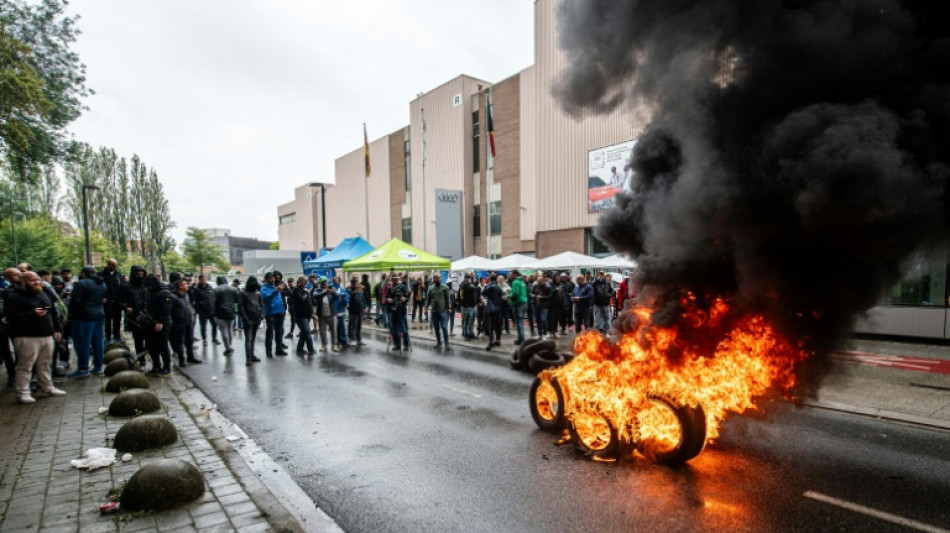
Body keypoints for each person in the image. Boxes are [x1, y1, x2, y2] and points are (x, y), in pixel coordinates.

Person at [3, 271, 66, 403]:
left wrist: (58, 329)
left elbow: (53, 312)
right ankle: (23, 392)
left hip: (47, 335)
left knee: (45, 364)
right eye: (32, 280)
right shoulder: (14, 297)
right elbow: (12, 317)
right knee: (25, 366)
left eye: (37, 279)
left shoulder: (44, 294)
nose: (37, 282)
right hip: (27, 336)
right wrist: (32, 314)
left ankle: (46, 387)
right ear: (23, 282)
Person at [68, 266, 106, 377]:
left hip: (84, 317)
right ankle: (98, 367)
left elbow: (75, 301)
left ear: (84, 273)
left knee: (83, 343)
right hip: (99, 315)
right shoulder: (102, 284)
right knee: (98, 343)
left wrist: (71, 314)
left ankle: (83, 369)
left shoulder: (81, 284)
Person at [142, 274, 173, 376]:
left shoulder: (164, 293)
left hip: (162, 324)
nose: (148, 288)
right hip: (151, 322)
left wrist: (160, 322)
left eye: (149, 286)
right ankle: (156, 365)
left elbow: (166, 310)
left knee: (162, 346)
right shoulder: (151, 292)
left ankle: (167, 367)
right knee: (151, 346)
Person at [170, 279, 202, 367]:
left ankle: (190, 356)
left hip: (188, 321)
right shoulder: (173, 297)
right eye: (185, 284)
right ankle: (181, 360)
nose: (187, 285)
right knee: (180, 341)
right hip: (179, 322)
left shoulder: (186, 295)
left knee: (190, 340)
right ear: (180, 286)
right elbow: (170, 311)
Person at [119, 266, 149, 357]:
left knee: (149, 339)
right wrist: (126, 308)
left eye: (142, 274)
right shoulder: (126, 287)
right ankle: (141, 359)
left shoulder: (146, 286)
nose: (140, 277)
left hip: (147, 316)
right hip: (134, 317)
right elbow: (118, 301)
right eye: (138, 274)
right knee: (138, 339)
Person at [237, 276, 263, 366]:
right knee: (249, 339)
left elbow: (261, 305)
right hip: (248, 319)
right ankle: (248, 358)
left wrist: (261, 317)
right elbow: (240, 307)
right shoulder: (243, 293)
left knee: (252, 339)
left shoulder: (257, 293)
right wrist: (245, 318)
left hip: (256, 318)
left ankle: (251, 355)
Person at [260, 272, 288, 357]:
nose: (272, 279)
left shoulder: (275, 286)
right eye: (270, 278)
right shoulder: (264, 288)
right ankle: (269, 351)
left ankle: (279, 349)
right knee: (270, 333)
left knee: (279, 332)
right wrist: (276, 291)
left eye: (273, 278)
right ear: (267, 279)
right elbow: (266, 298)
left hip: (279, 311)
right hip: (271, 313)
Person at [98, 259, 123, 343]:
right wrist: (101, 298)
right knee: (108, 320)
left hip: (117, 301)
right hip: (107, 302)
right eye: (113, 265)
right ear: (108, 265)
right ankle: (108, 337)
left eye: (115, 266)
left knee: (117, 319)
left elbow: (121, 287)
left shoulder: (118, 275)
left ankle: (117, 335)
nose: (114, 267)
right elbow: (97, 288)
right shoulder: (100, 275)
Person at [212, 276, 237, 355]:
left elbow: (212, 302)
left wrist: (213, 312)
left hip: (220, 312)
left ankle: (227, 348)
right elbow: (236, 300)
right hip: (231, 311)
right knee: (230, 329)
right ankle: (230, 345)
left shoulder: (216, 289)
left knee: (223, 330)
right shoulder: (233, 289)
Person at [291, 276, 316, 355]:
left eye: (306, 281)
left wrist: (312, 312)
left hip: (307, 313)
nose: (306, 283)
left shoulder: (305, 290)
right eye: (304, 281)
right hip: (301, 315)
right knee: (307, 331)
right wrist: (306, 293)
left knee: (304, 332)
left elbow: (309, 302)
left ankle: (299, 348)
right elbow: (301, 299)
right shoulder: (296, 290)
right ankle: (311, 348)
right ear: (300, 281)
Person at [313, 276, 338, 352]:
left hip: (331, 314)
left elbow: (337, 297)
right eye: (323, 282)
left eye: (325, 281)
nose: (324, 283)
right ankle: (324, 345)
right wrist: (325, 292)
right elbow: (315, 296)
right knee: (322, 332)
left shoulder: (331, 289)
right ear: (320, 283)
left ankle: (334, 345)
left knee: (333, 331)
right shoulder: (317, 290)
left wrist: (333, 292)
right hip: (322, 315)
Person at [426, 273, 451, 350]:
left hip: (442, 311)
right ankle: (439, 342)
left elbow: (448, 298)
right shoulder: (430, 288)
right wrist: (425, 308)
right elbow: (428, 299)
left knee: (444, 327)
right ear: (434, 279)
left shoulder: (445, 287)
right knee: (436, 328)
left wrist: (449, 307)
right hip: (434, 311)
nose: (439, 279)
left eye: (439, 277)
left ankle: (447, 344)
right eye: (437, 278)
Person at [192, 274, 218, 347]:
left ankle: (214, 339)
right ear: (200, 280)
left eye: (204, 279)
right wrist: (198, 311)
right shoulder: (197, 289)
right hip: (202, 312)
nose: (203, 281)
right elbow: (194, 301)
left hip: (211, 311)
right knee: (203, 327)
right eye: (202, 280)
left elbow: (213, 298)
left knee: (214, 325)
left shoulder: (210, 287)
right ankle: (204, 340)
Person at [387, 274, 411, 352]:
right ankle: (396, 344)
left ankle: (406, 345)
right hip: (393, 311)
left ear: (398, 279)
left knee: (404, 329)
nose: (395, 280)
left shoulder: (402, 287)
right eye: (394, 279)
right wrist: (389, 300)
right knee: (394, 329)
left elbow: (407, 295)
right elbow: (386, 298)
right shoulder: (390, 288)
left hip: (401, 311)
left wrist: (405, 298)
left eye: (396, 279)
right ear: (392, 279)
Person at [481, 276, 504, 350]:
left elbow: (483, 293)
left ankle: (491, 341)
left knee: (490, 326)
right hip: (498, 308)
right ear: (496, 279)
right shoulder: (499, 287)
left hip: (490, 309)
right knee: (498, 325)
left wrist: (488, 287)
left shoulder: (489, 286)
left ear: (490, 280)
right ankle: (498, 340)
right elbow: (501, 297)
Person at [508, 270, 528, 345]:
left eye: (511, 274)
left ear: (515, 274)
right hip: (524, 302)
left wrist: (509, 295)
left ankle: (522, 339)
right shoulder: (522, 282)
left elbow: (515, 293)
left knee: (519, 322)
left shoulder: (515, 282)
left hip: (518, 303)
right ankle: (521, 338)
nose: (510, 276)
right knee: (520, 322)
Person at [458, 273, 478, 340]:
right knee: (468, 321)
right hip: (468, 306)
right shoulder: (465, 284)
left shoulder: (464, 284)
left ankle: (470, 333)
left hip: (469, 305)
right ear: (468, 278)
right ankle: (467, 334)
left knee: (470, 321)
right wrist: (473, 285)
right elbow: (473, 289)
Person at [532, 274, 552, 339]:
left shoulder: (547, 287)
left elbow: (550, 296)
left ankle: (545, 334)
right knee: (538, 320)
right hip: (536, 305)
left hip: (544, 305)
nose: (539, 283)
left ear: (543, 281)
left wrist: (542, 297)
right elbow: (531, 293)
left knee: (543, 319)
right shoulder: (535, 286)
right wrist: (534, 296)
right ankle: (539, 334)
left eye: (540, 282)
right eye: (538, 282)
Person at [332, 276, 350, 349]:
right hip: (334, 312)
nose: (336, 282)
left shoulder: (343, 290)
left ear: (339, 281)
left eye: (338, 281)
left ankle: (343, 341)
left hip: (342, 311)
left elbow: (347, 301)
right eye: (335, 281)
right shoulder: (331, 290)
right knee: (335, 328)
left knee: (342, 326)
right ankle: (336, 341)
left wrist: (344, 300)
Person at [346, 276, 365, 346]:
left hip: (360, 310)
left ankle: (359, 339)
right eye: (354, 282)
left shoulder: (360, 290)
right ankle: (351, 339)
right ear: (352, 283)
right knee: (352, 325)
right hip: (352, 311)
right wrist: (354, 293)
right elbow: (348, 299)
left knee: (359, 326)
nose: (356, 283)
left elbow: (362, 299)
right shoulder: (349, 290)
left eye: (357, 282)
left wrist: (364, 307)